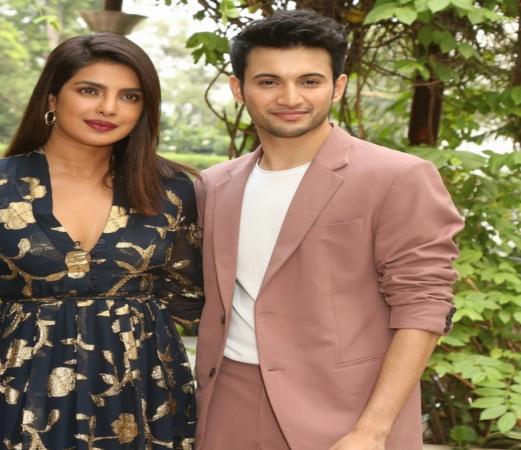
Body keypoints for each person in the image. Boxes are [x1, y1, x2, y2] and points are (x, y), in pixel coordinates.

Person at [193, 10, 464, 450]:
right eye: (268, 81)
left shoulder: (397, 177)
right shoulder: (214, 185)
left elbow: (423, 306)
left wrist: (372, 429)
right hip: (228, 404)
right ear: (238, 89)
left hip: (346, 414)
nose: (290, 97)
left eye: (310, 81)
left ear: (337, 87)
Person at [0, 33, 204, 449]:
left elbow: (193, 298)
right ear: (51, 98)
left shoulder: (172, 190)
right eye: (89, 90)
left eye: (130, 96)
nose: (108, 108)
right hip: (18, 396)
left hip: (145, 397)